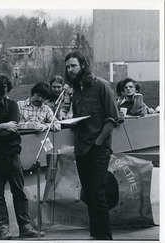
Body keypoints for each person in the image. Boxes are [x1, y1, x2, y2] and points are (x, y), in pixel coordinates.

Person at [0, 74, 44, 239]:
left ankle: (25, 227)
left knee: (19, 192)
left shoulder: (12, 105)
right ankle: (3, 229)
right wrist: (4, 126)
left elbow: (13, 128)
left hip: (11, 154)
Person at [64, 51, 120, 240]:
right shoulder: (76, 90)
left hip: (98, 148)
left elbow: (113, 118)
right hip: (81, 148)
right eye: (67, 67)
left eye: (73, 66)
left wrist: (98, 142)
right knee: (88, 195)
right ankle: (95, 235)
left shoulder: (101, 86)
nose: (69, 70)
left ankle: (104, 236)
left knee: (97, 194)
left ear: (83, 65)